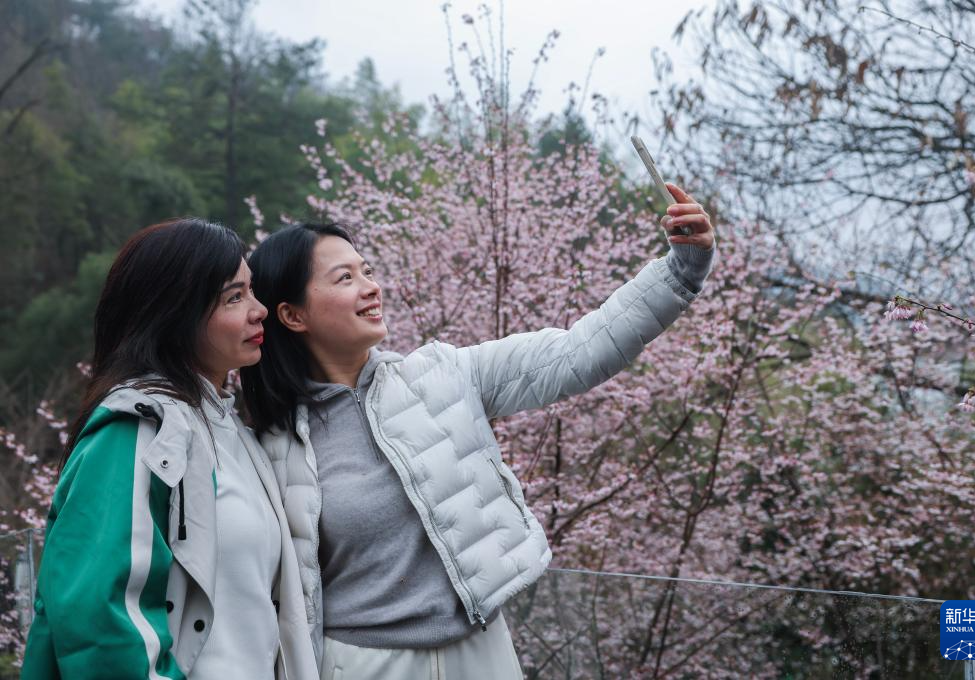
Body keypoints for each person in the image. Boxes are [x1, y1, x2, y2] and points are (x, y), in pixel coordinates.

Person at [241, 184, 716, 679]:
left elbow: (579, 351)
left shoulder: (443, 374)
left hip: (481, 652)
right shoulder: (270, 443)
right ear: (292, 315)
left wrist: (681, 268)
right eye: (345, 278)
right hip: (361, 665)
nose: (371, 287)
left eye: (368, 271)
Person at [21, 218, 319, 680]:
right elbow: (100, 617)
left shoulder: (229, 428)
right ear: (175, 312)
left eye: (251, 291)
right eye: (234, 297)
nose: (259, 310)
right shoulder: (137, 430)